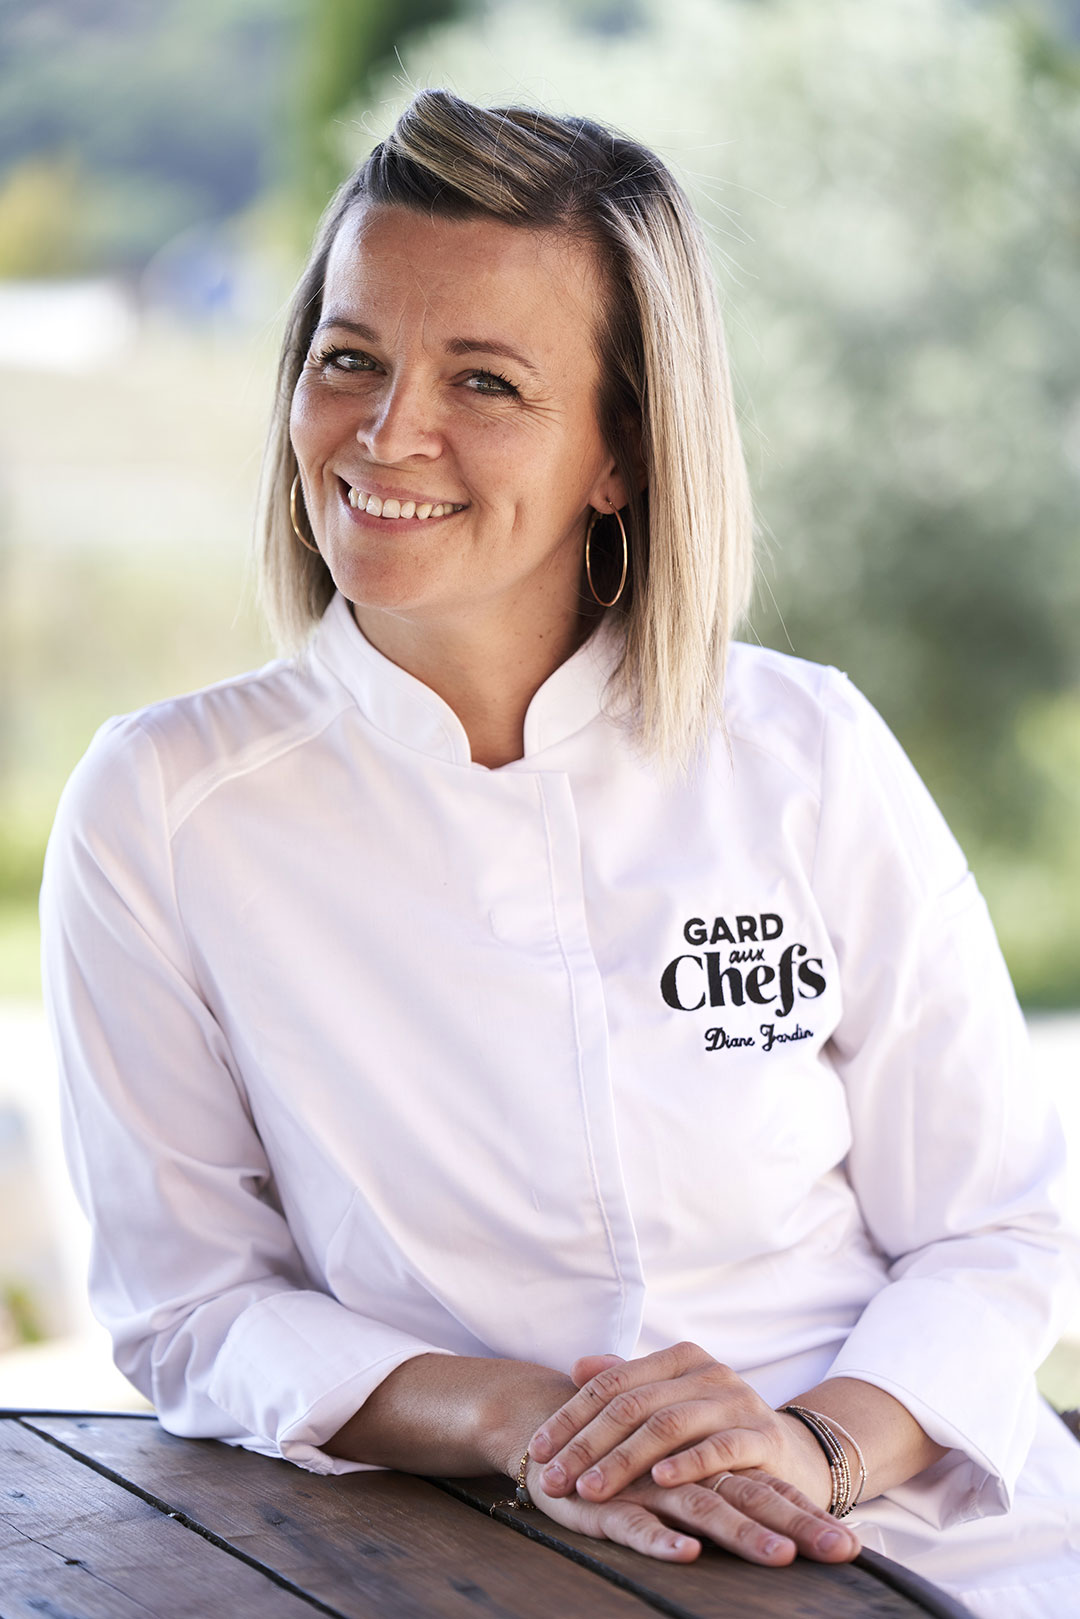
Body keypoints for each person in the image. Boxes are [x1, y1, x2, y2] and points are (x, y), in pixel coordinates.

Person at [40, 89, 1080, 1617]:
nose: (391, 432)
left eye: (488, 379)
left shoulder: (806, 750)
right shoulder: (165, 806)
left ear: (621, 454)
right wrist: (525, 1421)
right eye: (350, 358)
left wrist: (813, 1449)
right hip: (482, 1556)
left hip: (936, 1530)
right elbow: (192, 1308)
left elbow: (997, 1225)